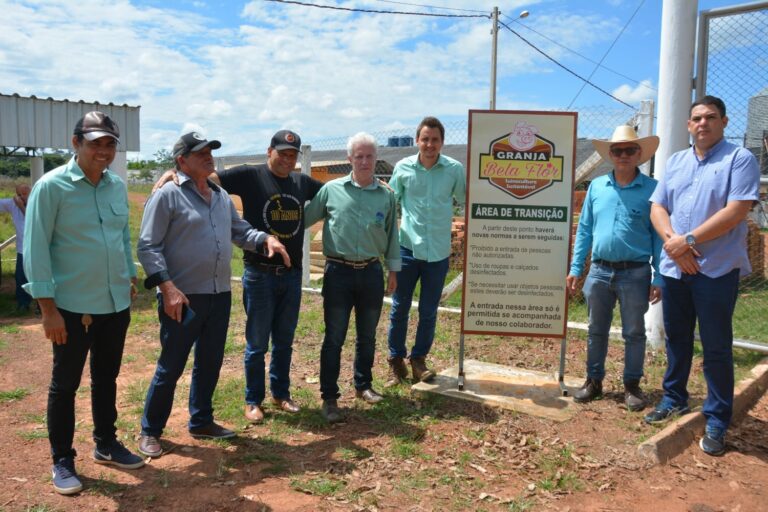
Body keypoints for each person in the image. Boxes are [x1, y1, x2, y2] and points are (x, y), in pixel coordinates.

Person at [137, 132, 289, 458]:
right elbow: (147, 247)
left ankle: (201, 420)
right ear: (181, 160)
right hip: (183, 297)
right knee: (171, 364)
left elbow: (240, 231)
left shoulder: (220, 196)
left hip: (219, 294)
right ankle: (150, 431)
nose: (209, 156)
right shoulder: (167, 196)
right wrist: (167, 288)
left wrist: (265, 239)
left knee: (210, 361)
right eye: (200, 152)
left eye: (210, 151)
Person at [154, 130, 323, 423]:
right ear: (269, 150)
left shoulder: (300, 181)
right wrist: (173, 172)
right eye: (282, 153)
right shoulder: (249, 175)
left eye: (292, 155)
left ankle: (281, 394)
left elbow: (335, 193)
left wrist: (371, 182)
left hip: (291, 275)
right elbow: (205, 177)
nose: (287, 159)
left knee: (284, 339)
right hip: (260, 274)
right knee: (257, 342)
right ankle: (253, 399)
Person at [23, 111, 144, 495]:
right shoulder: (51, 187)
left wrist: (128, 276)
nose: (103, 151)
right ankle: (62, 459)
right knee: (65, 385)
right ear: (76, 143)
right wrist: (48, 310)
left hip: (113, 304)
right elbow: (35, 249)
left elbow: (121, 237)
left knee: (106, 377)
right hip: (71, 307)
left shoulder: (115, 186)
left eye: (110, 144)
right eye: (95, 143)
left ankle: (105, 443)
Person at [645, 96, 760, 457]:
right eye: (696, 118)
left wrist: (688, 241)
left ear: (724, 122)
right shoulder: (676, 161)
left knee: (716, 346)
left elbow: (738, 209)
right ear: (688, 124)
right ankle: (674, 397)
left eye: (711, 118)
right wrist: (674, 246)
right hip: (677, 268)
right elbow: (658, 207)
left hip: (716, 270)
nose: (703, 124)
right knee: (677, 338)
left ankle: (717, 417)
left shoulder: (739, 159)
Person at [304, 133, 400, 423]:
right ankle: (330, 397)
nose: (364, 161)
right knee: (334, 337)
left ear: (375, 158)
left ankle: (363, 385)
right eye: (358, 156)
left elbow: (392, 235)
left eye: (369, 156)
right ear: (350, 159)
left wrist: (393, 270)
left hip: (371, 271)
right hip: (338, 273)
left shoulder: (386, 195)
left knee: (368, 336)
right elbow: (305, 218)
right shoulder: (331, 190)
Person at [566, 125, 663, 411]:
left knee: (634, 331)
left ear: (639, 154)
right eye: (618, 150)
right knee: (596, 329)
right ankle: (593, 381)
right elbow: (584, 230)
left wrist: (660, 276)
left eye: (629, 150)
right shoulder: (596, 187)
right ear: (610, 154)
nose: (623, 155)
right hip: (599, 270)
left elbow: (658, 236)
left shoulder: (652, 190)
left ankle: (632, 385)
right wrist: (575, 268)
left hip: (635, 272)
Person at [386, 116, 466, 385]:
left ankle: (418, 360)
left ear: (442, 142)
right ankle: (396, 361)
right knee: (399, 308)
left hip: (438, 253)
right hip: (407, 249)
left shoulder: (454, 169)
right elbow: (391, 202)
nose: (429, 144)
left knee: (429, 310)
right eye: (425, 139)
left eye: (435, 139)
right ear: (417, 140)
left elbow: (466, 200)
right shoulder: (403, 168)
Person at [0, 183, 32, 311]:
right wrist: (17, 204)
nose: (21, 197)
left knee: (40, 277)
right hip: (22, 249)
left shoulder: (38, 202)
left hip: (39, 249)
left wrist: (20, 206)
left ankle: (42, 307)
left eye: (24, 194)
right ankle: (23, 304)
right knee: (20, 277)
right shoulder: (13, 204)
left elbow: (33, 219)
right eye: (19, 194)